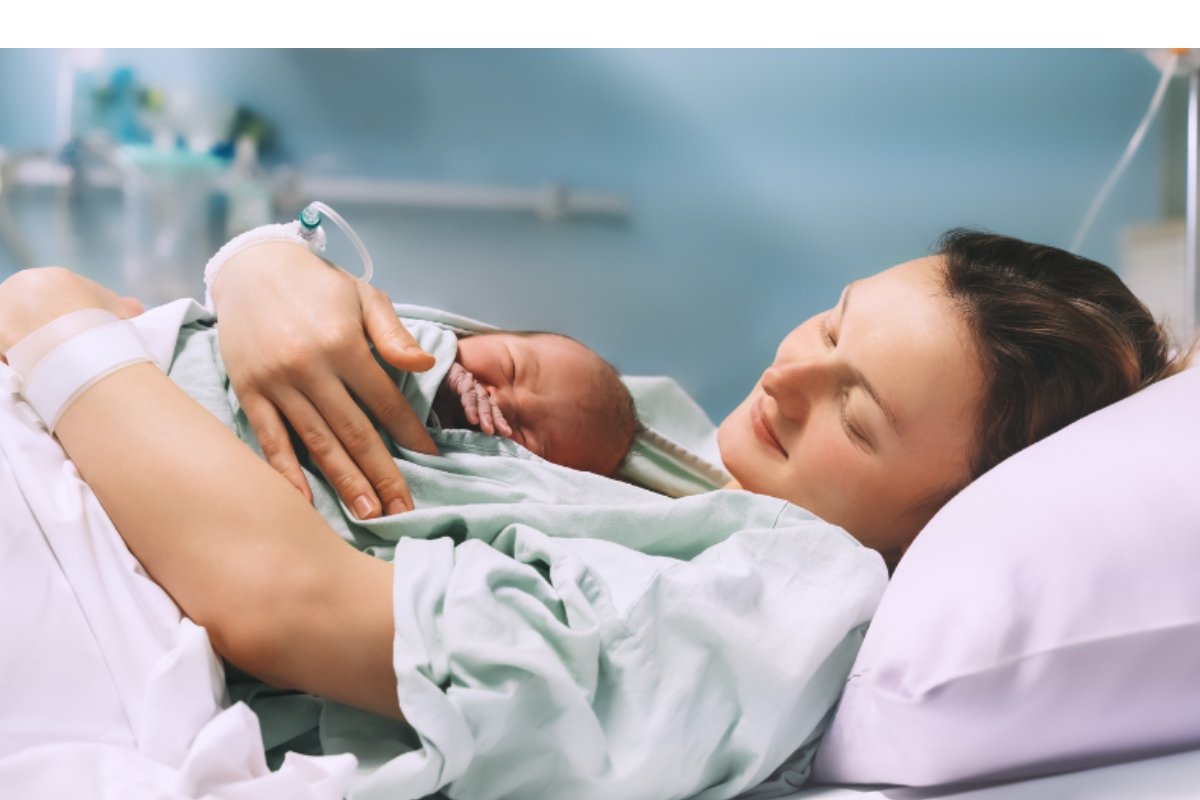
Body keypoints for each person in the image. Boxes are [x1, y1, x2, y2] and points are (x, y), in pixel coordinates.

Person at [0, 228, 1188, 798]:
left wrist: (53, 320)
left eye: (857, 412)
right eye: (831, 324)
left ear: (938, 518)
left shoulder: (776, 601)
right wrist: (261, 266)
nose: (790, 376)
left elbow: (293, 603)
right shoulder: (673, 445)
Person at [431, 330, 640, 479]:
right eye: (512, 369)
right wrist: (435, 363)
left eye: (529, 439)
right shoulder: (416, 334)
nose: (501, 404)